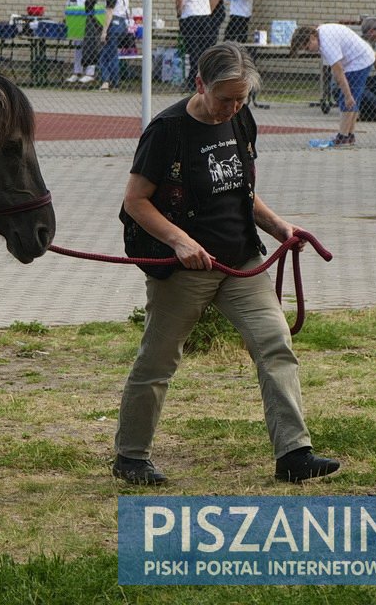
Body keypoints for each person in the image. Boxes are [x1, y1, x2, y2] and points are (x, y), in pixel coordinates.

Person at [113, 42, 341, 486]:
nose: (232, 108)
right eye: (225, 98)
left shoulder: (240, 119)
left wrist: (277, 226)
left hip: (241, 261)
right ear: (200, 84)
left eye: (241, 99)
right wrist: (180, 242)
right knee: (158, 360)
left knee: (275, 345)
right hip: (184, 271)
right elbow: (136, 201)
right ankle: (131, 457)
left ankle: (294, 454)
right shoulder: (167, 131)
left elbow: (240, 189)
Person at [290, 24, 376, 148]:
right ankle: (350, 135)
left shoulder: (326, 44)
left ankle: (342, 137)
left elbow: (339, 71)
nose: (309, 51)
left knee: (347, 100)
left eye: (308, 47)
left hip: (359, 61)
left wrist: (347, 95)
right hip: (361, 57)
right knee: (353, 99)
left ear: (312, 38)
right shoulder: (322, 34)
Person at [175, 0, 214, 89]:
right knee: (204, 49)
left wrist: (178, 11)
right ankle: (205, 80)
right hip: (204, 13)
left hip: (189, 14)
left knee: (193, 51)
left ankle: (192, 82)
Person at [98, 0, 132, 91]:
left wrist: (104, 31)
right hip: (123, 24)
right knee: (113, 53)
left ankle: (108, 81)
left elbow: (109, 12)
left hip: (114, 23)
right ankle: (114, 82)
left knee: (105, 56)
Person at [65, 0, 98, 83]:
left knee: (88, 44)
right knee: (77, 45)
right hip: (74, 16)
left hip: (86, 16)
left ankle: (89, 72)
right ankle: (77, 71)